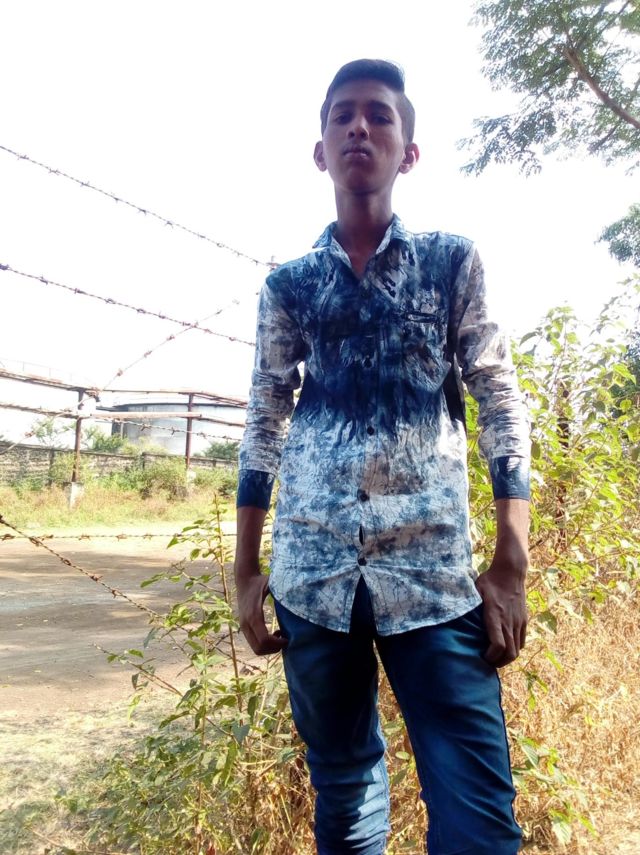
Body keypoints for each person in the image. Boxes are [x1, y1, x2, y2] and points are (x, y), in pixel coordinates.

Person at [234, 58, 530, 855]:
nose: (359, 126)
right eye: (342, 116)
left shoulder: (451, 264)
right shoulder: (290, 288)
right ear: (320, 152)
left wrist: (510, 562)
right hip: (313, 578)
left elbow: (500, 399)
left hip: (432, 579)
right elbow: (265, 416)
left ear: (409, 152)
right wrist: (245, 569)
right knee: (344, 795)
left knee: (477, 816)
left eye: (379, 115)